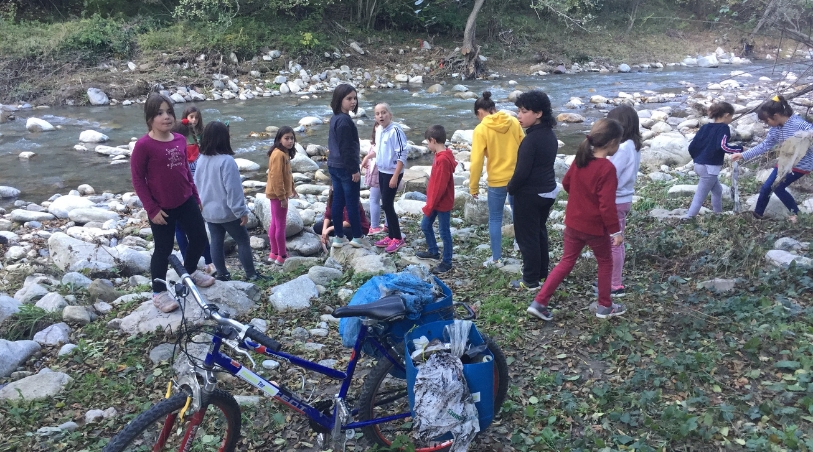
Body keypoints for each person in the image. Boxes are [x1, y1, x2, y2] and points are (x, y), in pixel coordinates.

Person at [527, 119, 626, 322]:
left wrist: (581, 200)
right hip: (595, 227)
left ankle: (539, 302)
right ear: (611, 142)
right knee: (605, 262)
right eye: (619, 142)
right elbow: (606, 206)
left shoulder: (581, 159)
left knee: (566, 261)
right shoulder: (606, 168)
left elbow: (566, 183)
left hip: (573, 222)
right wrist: (616, 231)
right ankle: (605, 306)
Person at [131, 94, 215, 313]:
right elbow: (138, 180)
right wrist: (151, 208)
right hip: (161, 208)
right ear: (149, 118)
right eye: (159, 113)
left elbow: (186, 170)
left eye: (169, 111)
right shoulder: (143, 146)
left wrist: (196, 197)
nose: (166, 117)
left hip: (186, 199)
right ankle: (158, 292)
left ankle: (188, 273)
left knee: (199, 238)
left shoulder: (178, 138)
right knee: (163, 249)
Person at [194, 121, 264, 282]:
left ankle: (223, 273)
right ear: (223, 138)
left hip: (208, 211)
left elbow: (196, 184)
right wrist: (241, 211)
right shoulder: (226, 161)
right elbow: (233, 189)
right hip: (227, 212)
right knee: (243, 240)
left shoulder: (201, 158)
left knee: (216, 241)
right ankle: (251, 274)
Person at [731, 95, 813, 223]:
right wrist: (743, 155)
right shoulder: (775, 129)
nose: (766, 124)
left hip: (801, 164)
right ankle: (757, 216)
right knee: (767, 188)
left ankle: (797, 214)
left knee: (777, 187)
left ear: (775, 116)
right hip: (785, 163)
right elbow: (765, 145)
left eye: (766, 121)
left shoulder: (798, 123)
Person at [506, 91, 558, 291]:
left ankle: (529, 280)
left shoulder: (531, 140)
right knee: (539, 233)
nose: (519, 115)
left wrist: (511, 187)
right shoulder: (549, 134)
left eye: (524, 111)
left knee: (527, 237)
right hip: (548, 191)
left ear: (538, 113)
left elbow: (522, 173)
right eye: (518, 110)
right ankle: (541, 273)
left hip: (530, 194)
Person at [468, 91, 525, 267]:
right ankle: (520, 246)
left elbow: (476, 161)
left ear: (479, 112)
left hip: (497, 181)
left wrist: (473, 186)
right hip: (517, 178)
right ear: (494, 108)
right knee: (519, 214)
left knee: (495, 218)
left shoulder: (481, 129)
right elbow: (524, 147)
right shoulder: (514, 122)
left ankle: (496, 259)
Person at [605, 104, 643, 297]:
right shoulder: (634, 145)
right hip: (623, 198)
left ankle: (615, 284)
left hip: (615, 199)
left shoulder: (623, 148)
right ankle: (610, 279)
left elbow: (611, 173)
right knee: (616, 239)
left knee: (614, 242)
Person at [172, 120, 215, 276]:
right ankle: (209, 261)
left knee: (180, 230)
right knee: (199, 231)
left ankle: (187, 262)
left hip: (177, 197)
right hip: (195, 195)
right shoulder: (197, 152)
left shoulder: (173, 151)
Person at [684, 102, 742, 219]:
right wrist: (739, 149)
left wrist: (698, 158)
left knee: (717, 190)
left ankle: (718, 214)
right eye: (731, 116)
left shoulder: (705, 127)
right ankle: (688, 218)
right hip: (710, 168)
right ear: (726, 115)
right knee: (700, 196)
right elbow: (723, 146)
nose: (731, 119)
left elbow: (692, 146)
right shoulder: (724, 128)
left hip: (698, 164)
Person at [327, 84, 364, 248]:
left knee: (338, 202)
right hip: (345, 168)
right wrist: (354, 170)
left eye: (355, 98)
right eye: (349, 98)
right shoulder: (344, 120)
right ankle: (357, 236)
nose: (353, 102)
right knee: (351, 203)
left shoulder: (335, 118)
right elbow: (346, 149)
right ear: (339, 100)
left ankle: (339, 237)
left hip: (333, 165)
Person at [416, 125, 456, 274]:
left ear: (433, 140)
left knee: (444, 232)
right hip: (435, 201)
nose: (427, 145)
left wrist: (430, 205)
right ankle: (433, 251)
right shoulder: (439, 156)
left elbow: (440, 186)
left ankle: (447, 262)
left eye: (427, 142)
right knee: (425, 225)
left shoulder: (443, 160)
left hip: (441, 202)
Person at [371, 103, 409, 253]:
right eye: (378, 113)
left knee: (387, 204)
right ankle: (391, 236)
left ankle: (398, 238)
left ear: (390, 115)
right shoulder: (380, 130)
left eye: (384, 112)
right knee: (385, 203)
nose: (381, 116)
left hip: (393, 172)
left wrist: (395, 176)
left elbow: (402, 154)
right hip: (382, 170)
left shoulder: (395, 130)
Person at [265, 126, 298, 265]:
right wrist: (282, 197)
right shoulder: (279, 154)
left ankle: (274, 253)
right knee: (280, 225)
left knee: (274, 223)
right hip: (278, 195)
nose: (290, 141)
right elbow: (276, 177)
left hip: (276, 193)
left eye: (292, 138)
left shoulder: (282, 153)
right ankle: (282, 255)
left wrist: (292, 188)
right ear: (279, 139)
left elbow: (287, 174)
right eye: (286, 138)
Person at [361, 124, 387, 235]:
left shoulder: (381, 142)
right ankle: (387, 225)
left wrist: (367, 158)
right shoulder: (377, 142)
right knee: (386, 200)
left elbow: (377, 154)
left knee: (374, 199)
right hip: (381, 171)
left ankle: (375, 226)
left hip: (378, 172)